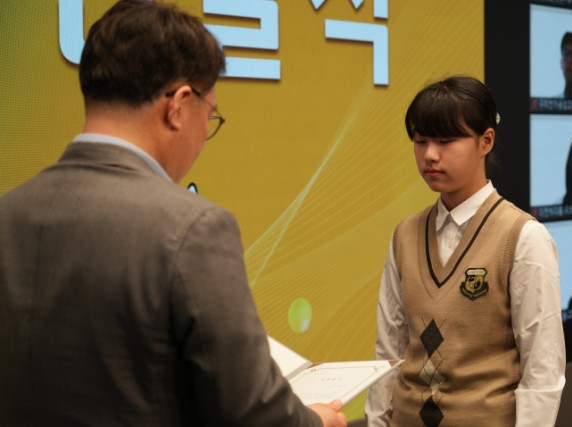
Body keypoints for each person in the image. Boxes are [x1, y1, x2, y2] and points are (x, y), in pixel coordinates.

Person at [0, 1, 347, 426]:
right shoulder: (193, 228)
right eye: (210, 115)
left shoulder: (8, 213)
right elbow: (253, 415)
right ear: (179, 105)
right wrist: (317, 422)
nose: (204, 135)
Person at [364, 76, 565, 427]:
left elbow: (542, 369)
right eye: (421, 141)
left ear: (486, 141)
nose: (430, 155)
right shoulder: (404, 235)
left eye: (445, 141)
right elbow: (389, 352)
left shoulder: (523, 237)